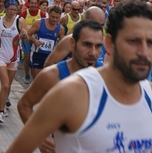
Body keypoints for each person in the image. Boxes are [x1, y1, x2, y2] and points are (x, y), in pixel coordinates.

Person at [7, 0, 152, 153]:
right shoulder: (70, 93)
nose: (143, 52)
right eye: (133, 41)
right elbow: (47, 69)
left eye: (150, 43)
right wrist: (42, 136)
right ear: (109, 43)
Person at [17, 20, 103, 152]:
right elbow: (24, 105)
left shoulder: (106, 76)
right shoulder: (52, 76)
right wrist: (40, 136)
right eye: (87, 45)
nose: (93, 52)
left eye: (98, 46)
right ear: (72, 44)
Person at [0, 0, 28, 123]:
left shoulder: (19, 21)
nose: (12, 12)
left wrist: (24, 34)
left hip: (13, 58)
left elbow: (25, 33)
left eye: (15, 10)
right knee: (5, 84)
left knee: (8, 85)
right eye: (10, 9)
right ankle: (0, 112)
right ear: (5, 9)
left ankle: (4, 101)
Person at [27, 5, 64, 79]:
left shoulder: (60, 28)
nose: (55, 20)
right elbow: (28, 35)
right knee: (36, 80)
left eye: (57, 18)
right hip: (37, 54)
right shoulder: (39, 23)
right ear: (48, 14)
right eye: (53, 17)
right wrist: (34, 41)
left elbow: (62, 43)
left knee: (46, 80)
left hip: (50, 57)